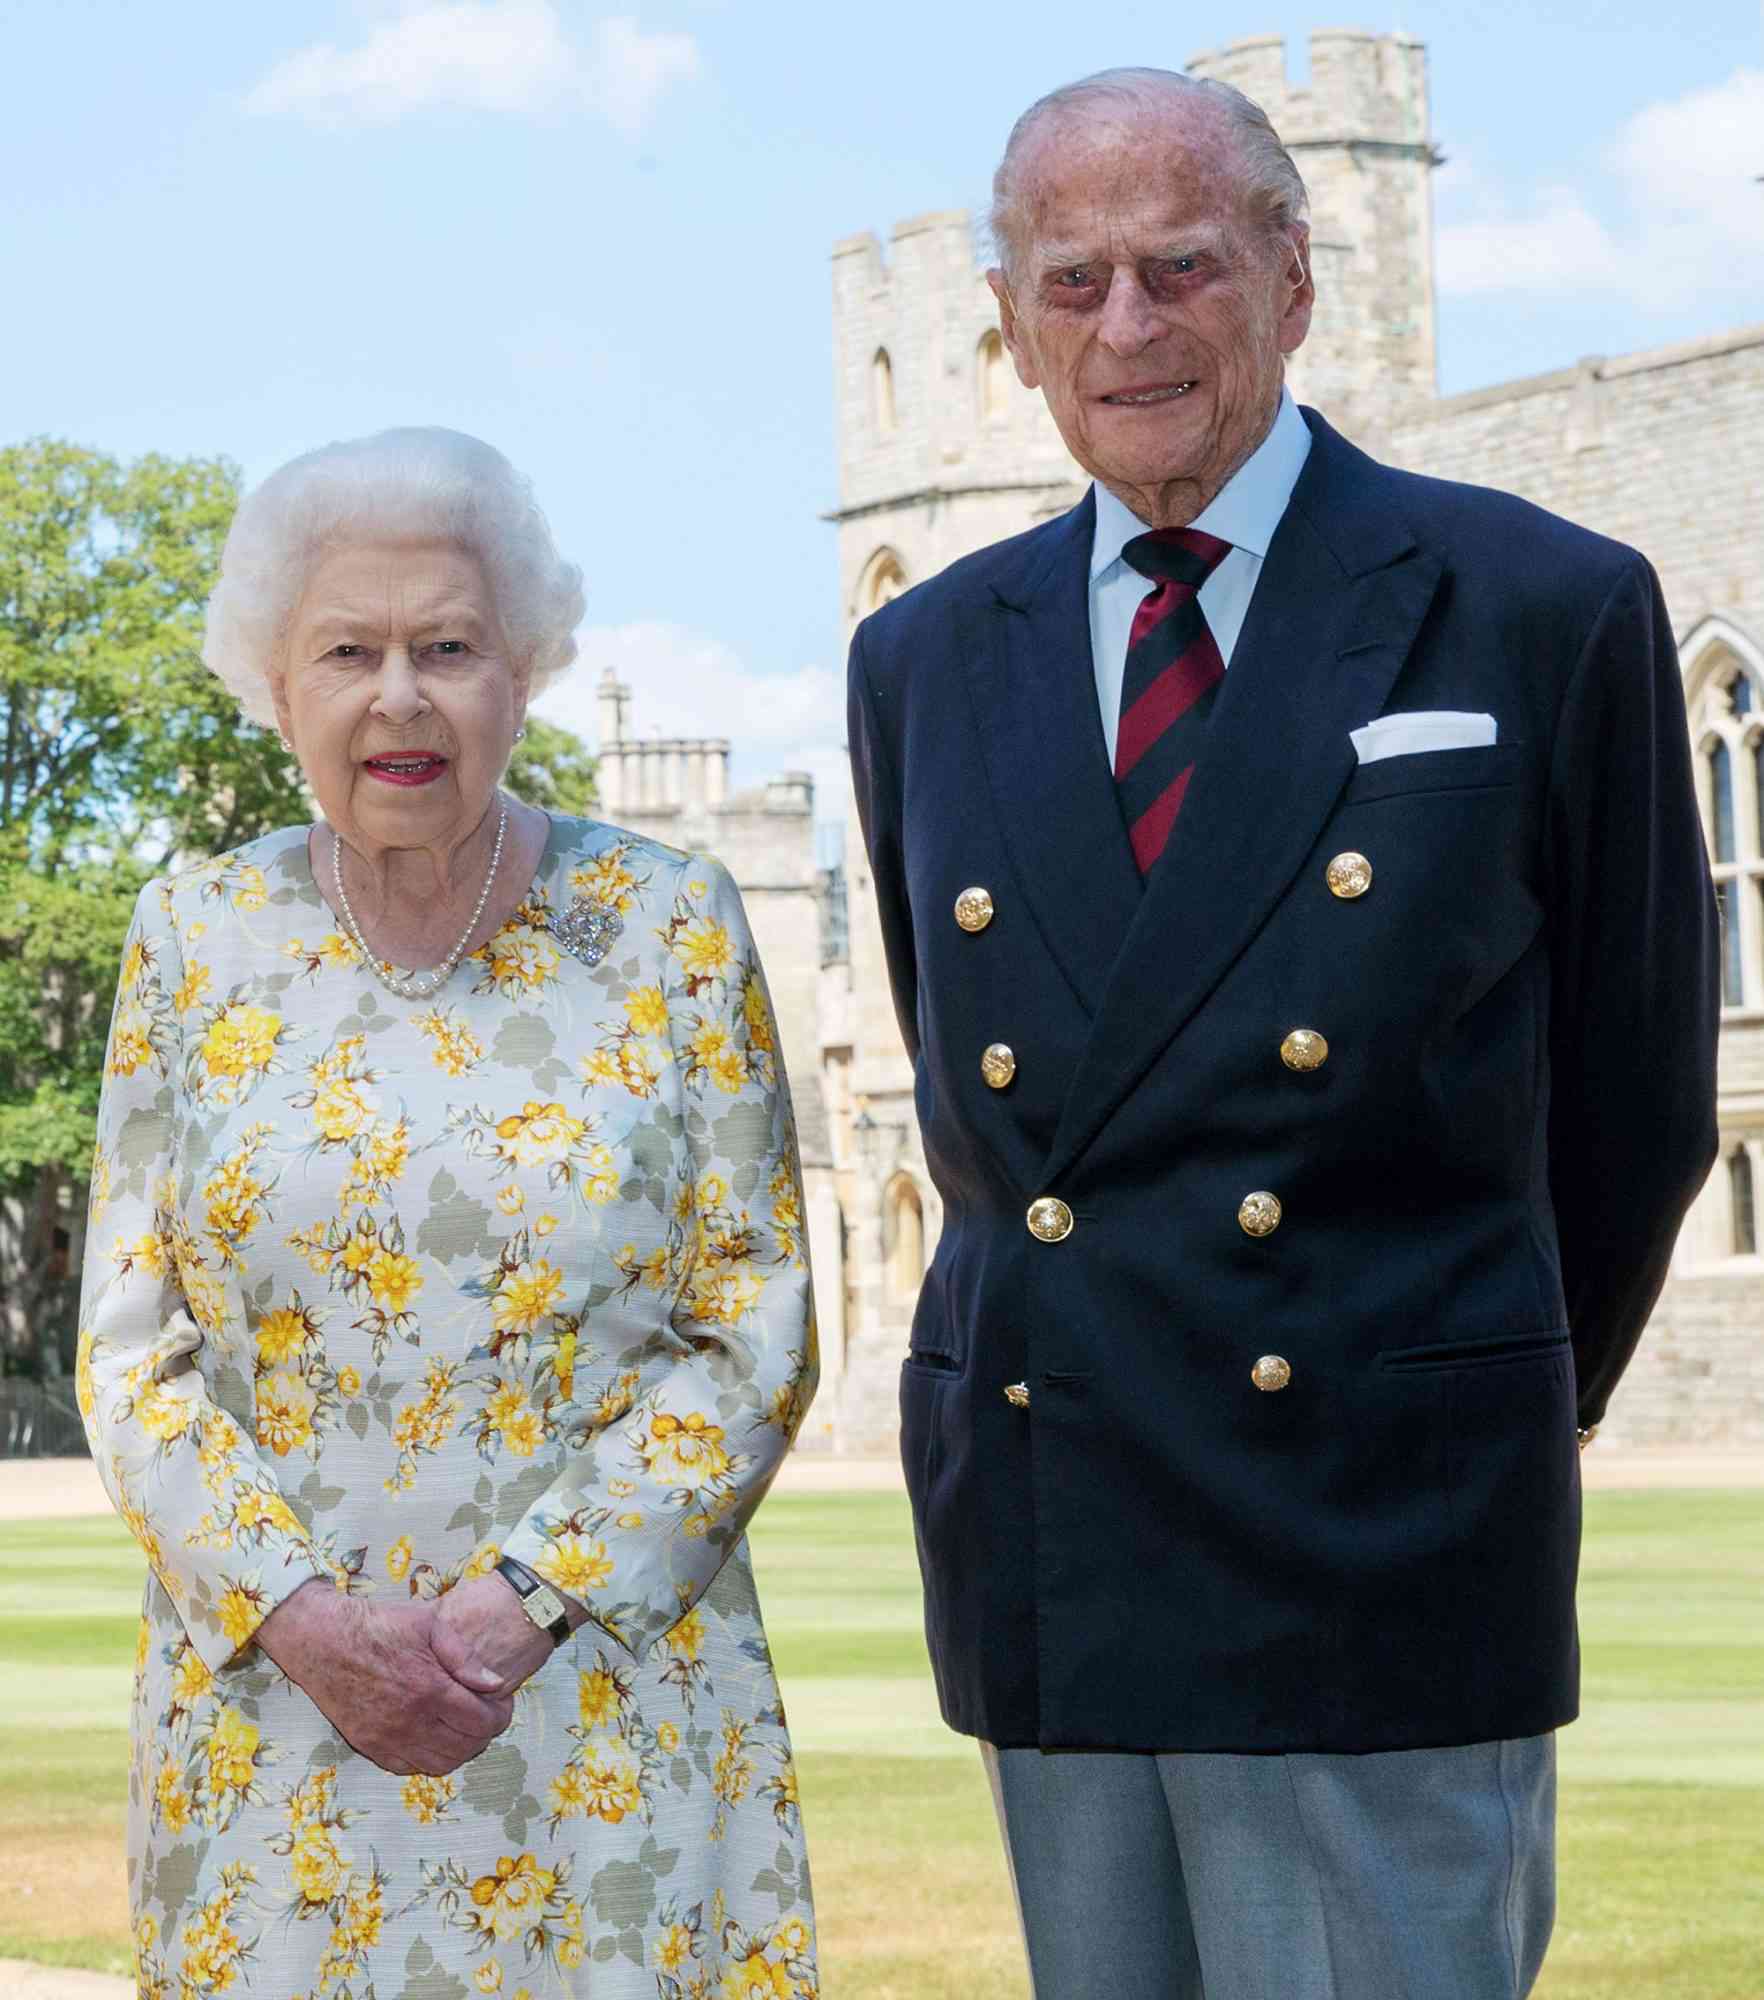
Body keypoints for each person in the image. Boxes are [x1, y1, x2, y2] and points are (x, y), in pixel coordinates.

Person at [846, 67, 1718, 2000]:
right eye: (1071, 285)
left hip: (1381, 1530)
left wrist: (1440, 1385)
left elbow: (1642, 1103)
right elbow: (977, 1090)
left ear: (1297, 282)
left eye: (1181, 266)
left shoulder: (1536, 606)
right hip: (1063, 1532)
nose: (1129, 327)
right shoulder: (923, 655)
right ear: (1008, 329)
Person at [77, 427, 819, 1999]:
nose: (400, 695)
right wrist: (304, 1622)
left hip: (601, 1708)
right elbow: (132, 1350)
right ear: (275, 686)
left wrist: (524, 1602)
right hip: (277, 1724)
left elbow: (753, 1322)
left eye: (451, 646)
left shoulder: (672, 922)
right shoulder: (192, 935)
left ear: (525, 674)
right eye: (348, 650)